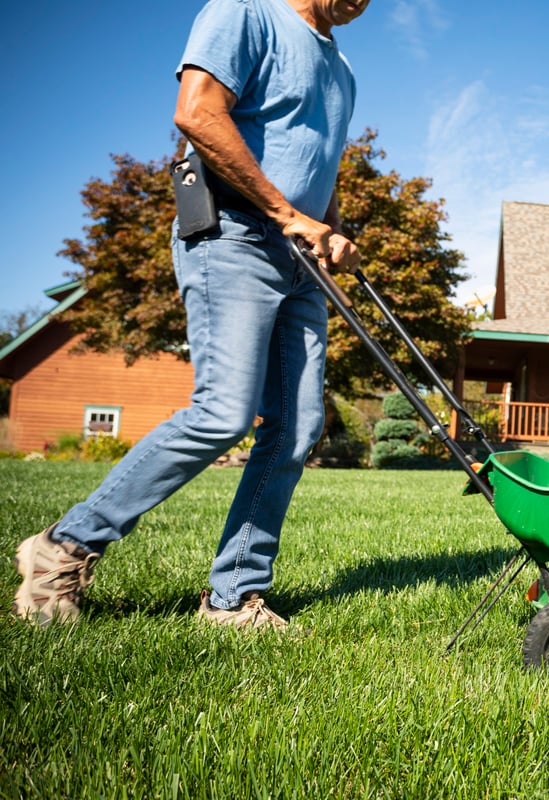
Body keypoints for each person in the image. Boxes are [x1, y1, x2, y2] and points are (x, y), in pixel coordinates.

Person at [12, 0, 372, 629]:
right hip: (234, 236)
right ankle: (62, 548)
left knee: (296, 428)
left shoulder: (341, 68)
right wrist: (287, 214)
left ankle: (233, 595)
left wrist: (330, 230)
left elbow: (318, 164)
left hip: (300, 261)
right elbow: (198, 114)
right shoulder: (244, 12)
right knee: (223, 412)